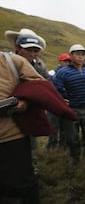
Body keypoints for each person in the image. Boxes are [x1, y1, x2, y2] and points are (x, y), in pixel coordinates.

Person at [0, 51, 44, 203]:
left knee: (23, 188)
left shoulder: (12, 61)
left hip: (11, 138)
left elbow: (40, 87)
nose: (34, 53)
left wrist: (25, 103)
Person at [5, 28, 50, 174]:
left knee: (30, 143)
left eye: (35, 51)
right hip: (6, 113)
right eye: (29, 50)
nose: (32, 54)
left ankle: (31, 171)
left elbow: (44, 86)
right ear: (18, 47)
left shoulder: (39, 67)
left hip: (28, 111)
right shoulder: (6, 62)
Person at [53, 44, 85, 169]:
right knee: (72, 138)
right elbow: (56, 89)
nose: (80, 57)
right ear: (71, 56)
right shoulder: (63, 72)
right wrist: (62, 99)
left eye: (82, 54)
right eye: (77, 54)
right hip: (71, 110)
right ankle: (74, 161)